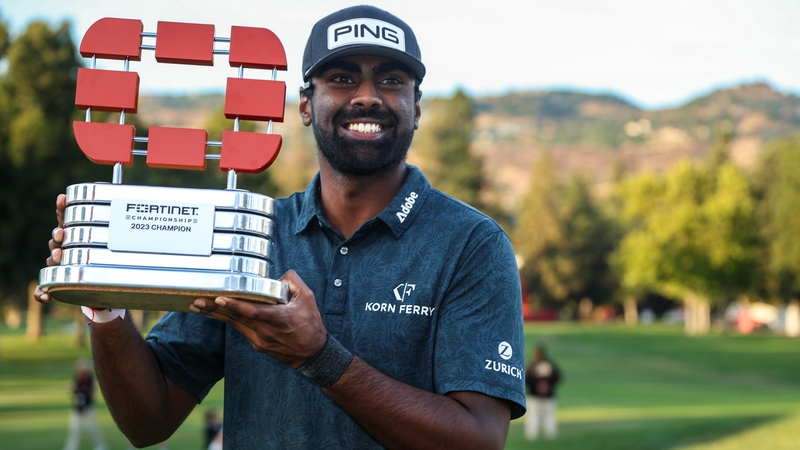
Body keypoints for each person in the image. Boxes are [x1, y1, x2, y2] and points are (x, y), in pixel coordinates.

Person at [37, 5, 525, 449]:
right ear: (306, 105)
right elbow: (148, 420)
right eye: (341, 78)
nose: (367, 97)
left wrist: (321, 357)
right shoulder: (248, 232)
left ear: (416, 107)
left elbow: (479, 439)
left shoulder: (472, 244)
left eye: (392, 80)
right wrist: (105, 306)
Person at [63, 358, 108, 450]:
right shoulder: (77, 378)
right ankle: (71, 448)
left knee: (91, 428)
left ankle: (101, 446)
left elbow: (92, 393)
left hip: (88, 407)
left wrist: (83, 392)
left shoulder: (90, 379)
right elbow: (72, 390)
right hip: (77, 408)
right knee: (75, 429)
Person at [524, 345, 562, 440]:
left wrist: (536, 386)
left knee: (533, 417)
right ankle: (550, 436)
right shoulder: (550, 364)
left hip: (534, 395)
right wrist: (548, 386)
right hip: (548, 395)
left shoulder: (532, 365)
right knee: (549, 417)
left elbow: (526, 379)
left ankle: (532, 437)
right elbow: (558, 377)